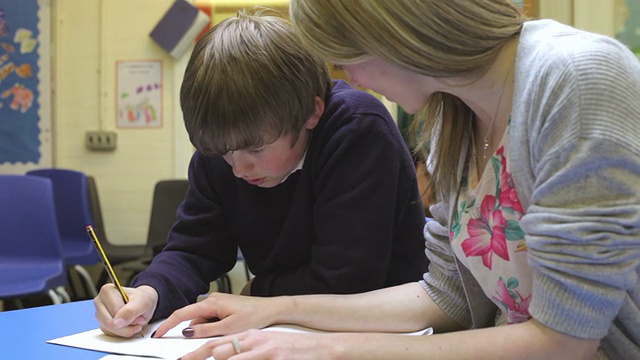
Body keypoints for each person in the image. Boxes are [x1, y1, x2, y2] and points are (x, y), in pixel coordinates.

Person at [149, 1, 640, 359]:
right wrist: (277, 311)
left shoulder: (575, 77)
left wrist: (330, 348)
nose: (347, 78)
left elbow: (565, 339)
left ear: (396, 33)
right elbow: (447, 296)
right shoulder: (454, 117)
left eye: (346, 57)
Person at [94, 8, 430, 338]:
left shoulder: (358, 131)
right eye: (225, 152)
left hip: (387, 330)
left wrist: (255, 292)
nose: (239, 168)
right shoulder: (222, 150)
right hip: (287, 327)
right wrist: (150, 292)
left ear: (312, 113)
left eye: (256, 149)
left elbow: (346, 281)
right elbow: (194, 248)